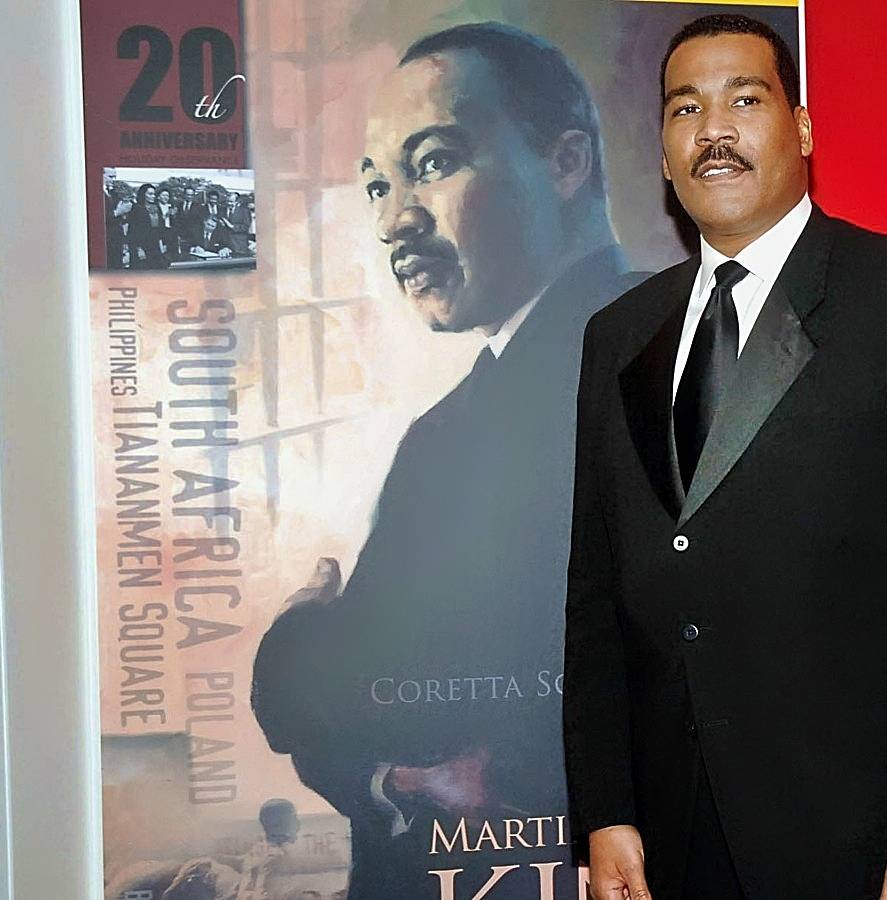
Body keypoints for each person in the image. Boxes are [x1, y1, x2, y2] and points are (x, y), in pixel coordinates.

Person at [562, 13, 887, 900]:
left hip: (871, 836)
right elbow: (598, 595)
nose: (714, 130)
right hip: (673, 838)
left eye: (745, 99)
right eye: (685, 110)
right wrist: (605, 807)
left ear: (804, 128)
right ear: (664, 156)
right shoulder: (617, 336)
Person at [250, 21, 642, 900]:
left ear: (567, 162)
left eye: (433, 163)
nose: (396, 220)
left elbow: (332, 695)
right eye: (378, 187)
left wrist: (298, 636)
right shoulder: (461, 420)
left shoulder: (616, 376)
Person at [126, 183, 168, 269]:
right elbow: (132, 231)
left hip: (154, 244)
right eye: (150, 194)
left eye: (154, 194)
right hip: (141, 245)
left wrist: (162, 243)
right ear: (143, 195)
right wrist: (138, 249)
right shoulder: (136, 208)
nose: (153, 196)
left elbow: (160, 227)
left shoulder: (156, 207)